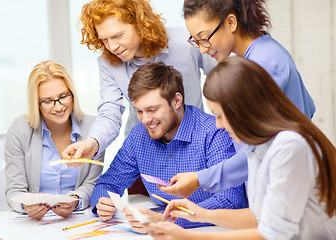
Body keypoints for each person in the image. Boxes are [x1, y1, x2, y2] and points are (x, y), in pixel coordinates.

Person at [145, 56, 336, 239]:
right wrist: (201, 214)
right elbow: (260, 218)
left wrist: (187, 237)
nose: (218, 125)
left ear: (244, 109)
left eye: (220, 115)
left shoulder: (290, 146)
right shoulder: (256, 149)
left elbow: (272, 234)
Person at [159, 0, 316, 198]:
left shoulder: (263, 63)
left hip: (283, 189)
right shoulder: (265, 53)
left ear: (231, 22)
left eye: (204, 38)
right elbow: (308, 107)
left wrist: (200, 179)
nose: (202, 49)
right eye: (195, 40)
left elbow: (255, 151)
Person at [61, 0, 216, 174]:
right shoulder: (108, 63)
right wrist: (92, 142)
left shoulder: (187, 44)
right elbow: (110, 110)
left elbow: (226, 80)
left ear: (140, 24)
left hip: (194, 150)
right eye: (104, 39)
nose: (112, 46)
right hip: (145, 156)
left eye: (118, 36)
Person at [91, 62, 245, 232]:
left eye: (152, 109)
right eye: (139, 111)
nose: (145, 120)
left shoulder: (214, 132)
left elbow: (230, 200)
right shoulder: (139, 135)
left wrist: (167, 221)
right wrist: (103, 203)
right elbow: (108, 183)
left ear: (176, 100)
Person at [5, 60, 104, 220]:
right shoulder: (20, 129)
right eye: (48, 101)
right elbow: (14, 190)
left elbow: (92, 183)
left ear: (73, 95)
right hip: (32, 223)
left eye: (64, 96)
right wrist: (25, 205)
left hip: (77, 219)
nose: (58, 107)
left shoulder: (94, 129)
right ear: (37, 104)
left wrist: (76, 200)